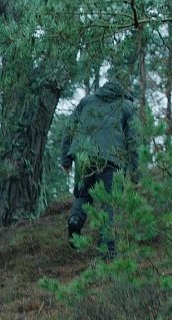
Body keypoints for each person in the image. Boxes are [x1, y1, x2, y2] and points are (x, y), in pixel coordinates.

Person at [60, 80, 140, 259]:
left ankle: (75, 220)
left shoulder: (87, 101)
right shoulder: (127, 107)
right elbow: (134, 141)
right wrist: (136, 174)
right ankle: (108, 249)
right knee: (110, 202)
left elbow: (69, 128)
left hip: (83, 155)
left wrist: (66, 159)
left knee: (83, 195)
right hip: (111, 159)